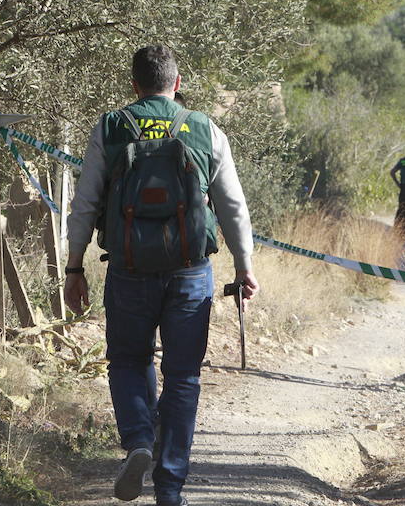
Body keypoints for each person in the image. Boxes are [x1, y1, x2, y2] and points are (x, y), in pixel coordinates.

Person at [63, 45, 259, 506]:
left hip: (129, 271)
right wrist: (245, 266)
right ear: (178, 82)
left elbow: (85, 203)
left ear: (134, 85)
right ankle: (170, 488)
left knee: (130, 362)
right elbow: (232, 206)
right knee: (184, 376)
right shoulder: (203, 127)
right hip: (190, 272)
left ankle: (138, 443)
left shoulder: (112, 126)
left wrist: (74, 266)